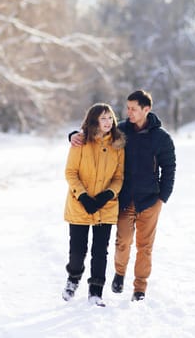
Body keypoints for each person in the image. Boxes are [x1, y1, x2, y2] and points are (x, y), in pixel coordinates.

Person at [70, 90, 176, 301]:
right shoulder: (122, 131)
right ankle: (119, 273)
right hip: (124, 199)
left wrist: (162, 198)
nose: (128, 112)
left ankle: (139, 288)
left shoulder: (161, 138)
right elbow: (97, 133)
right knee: (122, 242)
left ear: (147, 110)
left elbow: (169, 168)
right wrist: (73, 135)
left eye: (133, 109)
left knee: (145, 247)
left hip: (150, 200)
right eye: (127, 108)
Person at [62, 103, 125, 307]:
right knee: (77, 251)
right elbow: (70, 172)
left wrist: (107, 194)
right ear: (94, 120)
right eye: (103, 118)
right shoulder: (80, 142)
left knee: (100, 251)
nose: (108, 122)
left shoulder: (118, 144)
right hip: (80, 204)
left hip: (105, 206)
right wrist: (83, 196)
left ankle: (95, 292)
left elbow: (119, 176)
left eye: (110, 118)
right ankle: (73, 278)